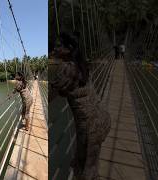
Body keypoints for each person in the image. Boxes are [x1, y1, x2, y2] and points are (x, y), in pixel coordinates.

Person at [51, 32, 111, 180]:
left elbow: (51, 94)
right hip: (101, 117)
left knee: (86, 171)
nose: (54, 49)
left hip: (90, 126)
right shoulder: (80, 63)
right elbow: (67, 90)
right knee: (89, 164)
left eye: (59, 46)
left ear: (69, 49)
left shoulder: (67, 68)